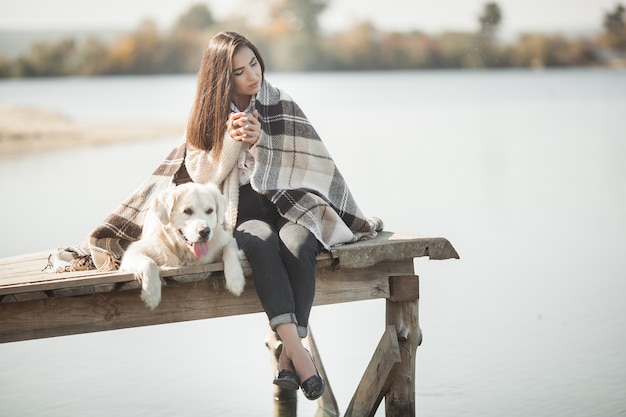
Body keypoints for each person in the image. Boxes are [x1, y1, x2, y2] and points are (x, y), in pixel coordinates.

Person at [50, 31, 381, 402]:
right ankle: (301, 354)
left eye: (253, 63)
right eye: (239, 71)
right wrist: (232, 143)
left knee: (301, 241)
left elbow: (304, 164)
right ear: (223, 77)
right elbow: (203, 176)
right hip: (240, 212)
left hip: (288, 204)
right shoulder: (206, 115)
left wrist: (262, 144)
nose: (252, 75)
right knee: (262, 241)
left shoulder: (281, 102)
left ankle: (290, 355)